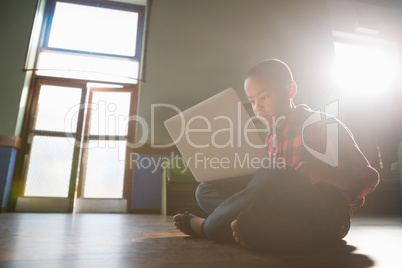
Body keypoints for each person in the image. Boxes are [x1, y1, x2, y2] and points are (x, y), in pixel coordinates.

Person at [173, 59, 379, 251]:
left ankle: (209, 227)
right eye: (252, 101)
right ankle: (254, 227)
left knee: (273, 173)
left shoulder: (322, 124)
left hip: (326, 213)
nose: (257, 107)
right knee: (206, 189)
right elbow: (262, 188)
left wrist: (321, 174)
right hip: (284, 211)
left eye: (264, 97)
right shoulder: (270, 139)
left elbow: (367, 178)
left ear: (290, 90)